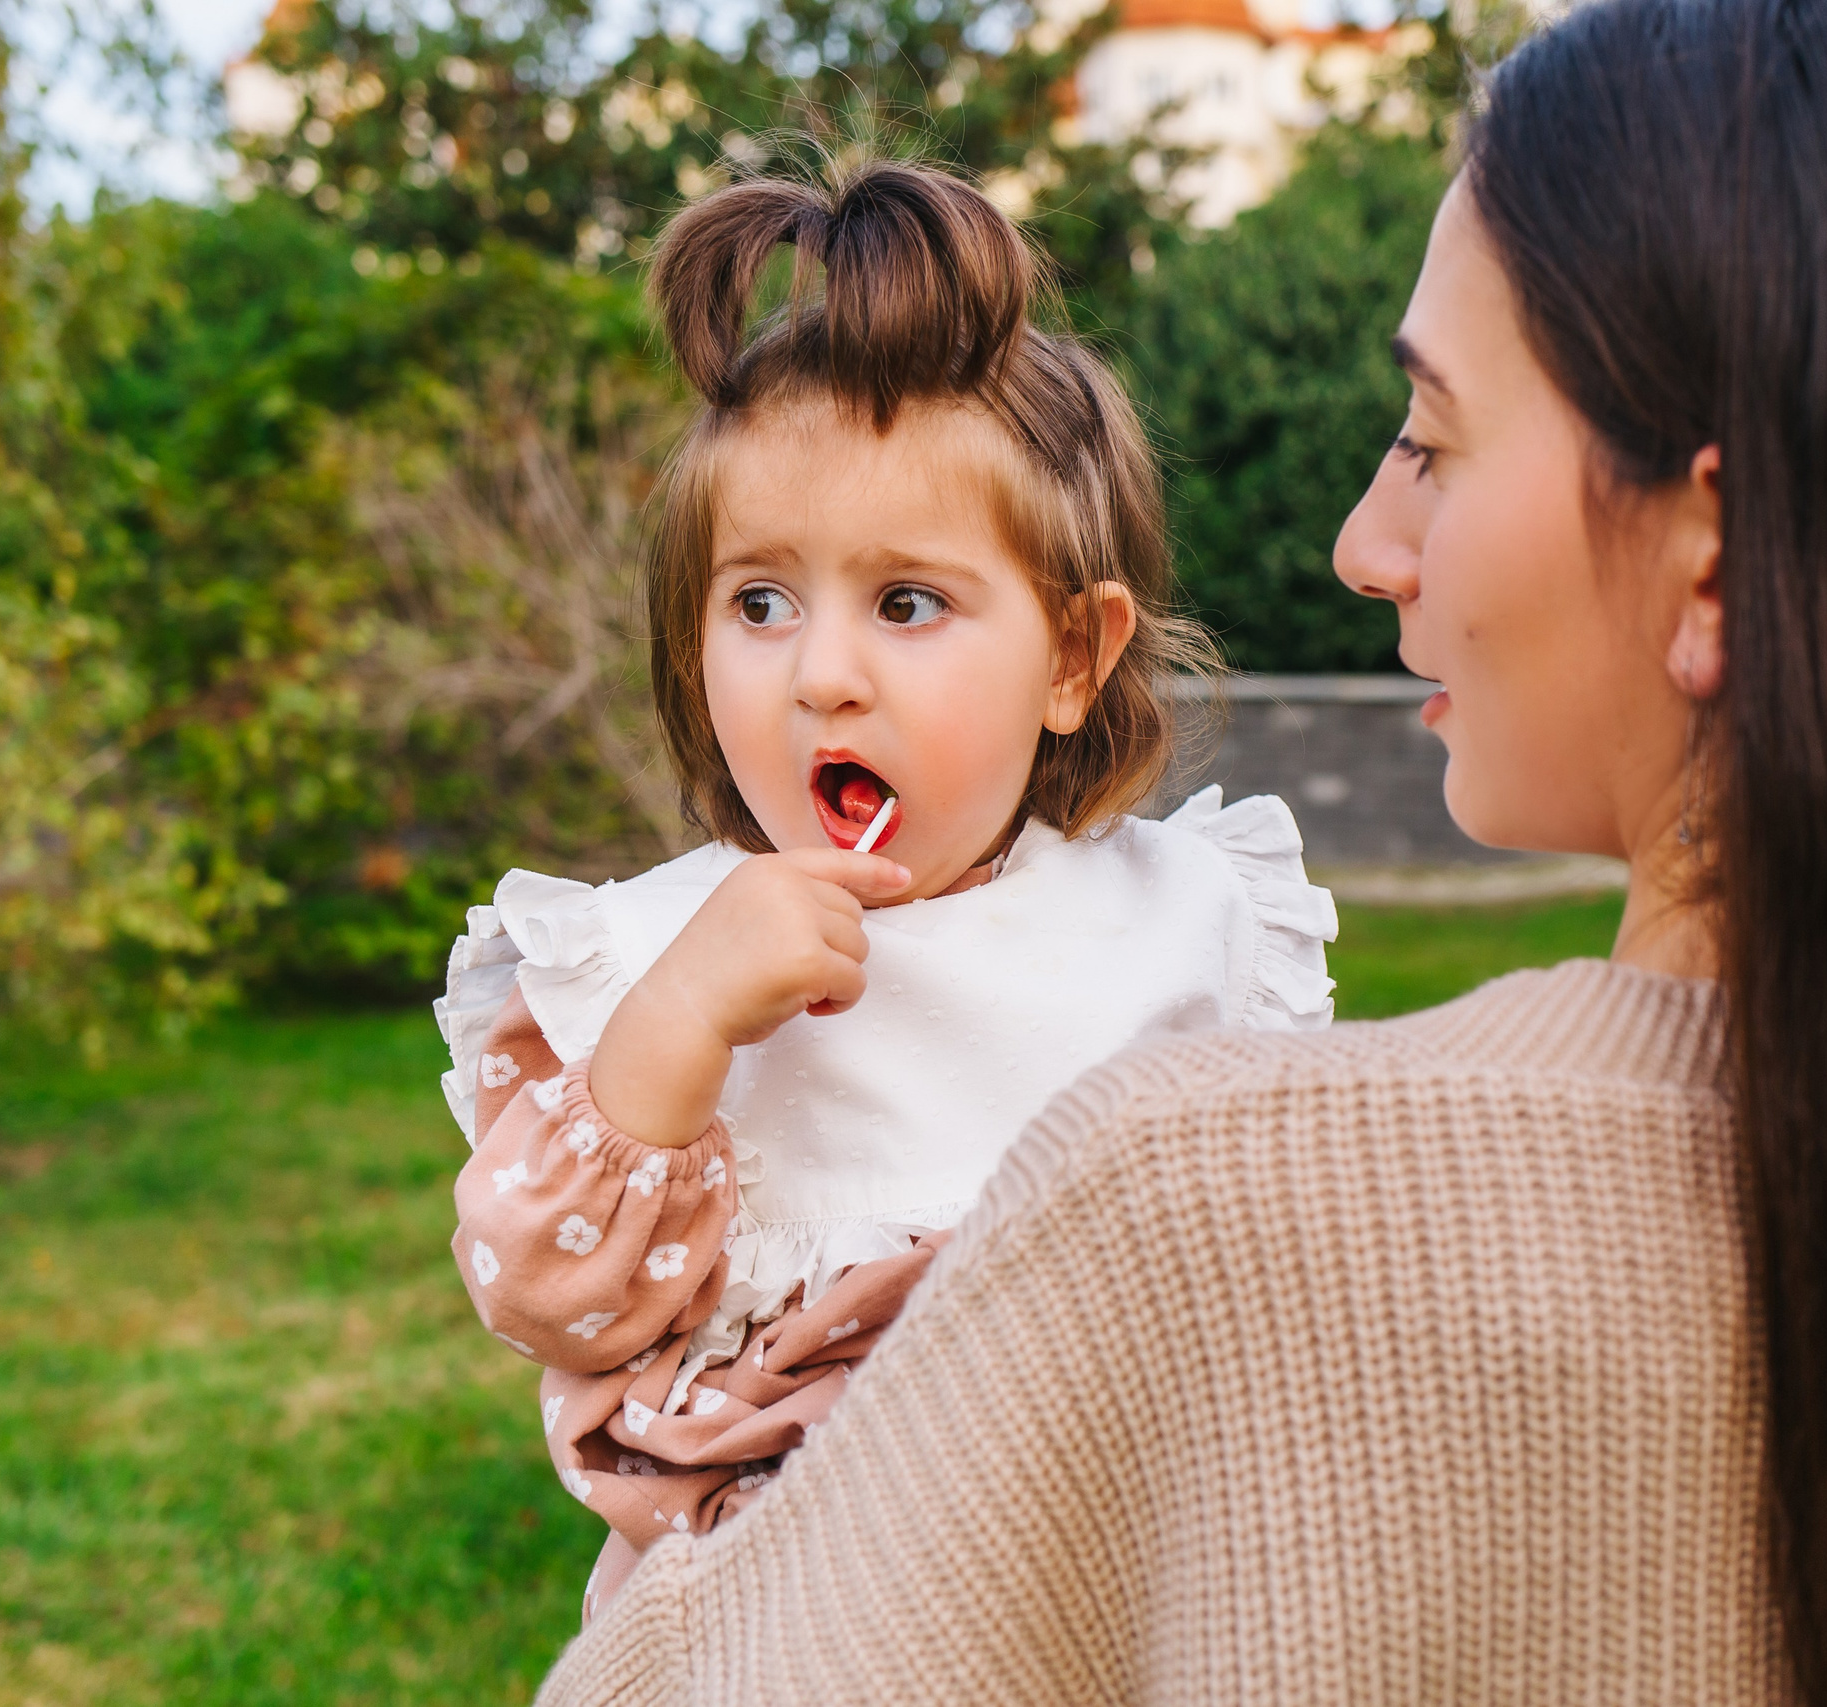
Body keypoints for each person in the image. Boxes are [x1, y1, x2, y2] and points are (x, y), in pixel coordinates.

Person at [527, 0, 1827, 1698]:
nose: (1361, 541)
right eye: (759, 598)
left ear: (1715, 559)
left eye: (1430, 439)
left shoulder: (1187, 1207)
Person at [433, 159, 1336, 1626]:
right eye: (760, 602)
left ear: (1070, 656)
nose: (823, 673)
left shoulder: (1183, 917)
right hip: (773, 1616)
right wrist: (678, 1025)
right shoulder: (657, 953)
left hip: (1105, 1583)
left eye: (906, 603)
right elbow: (545, 1293)